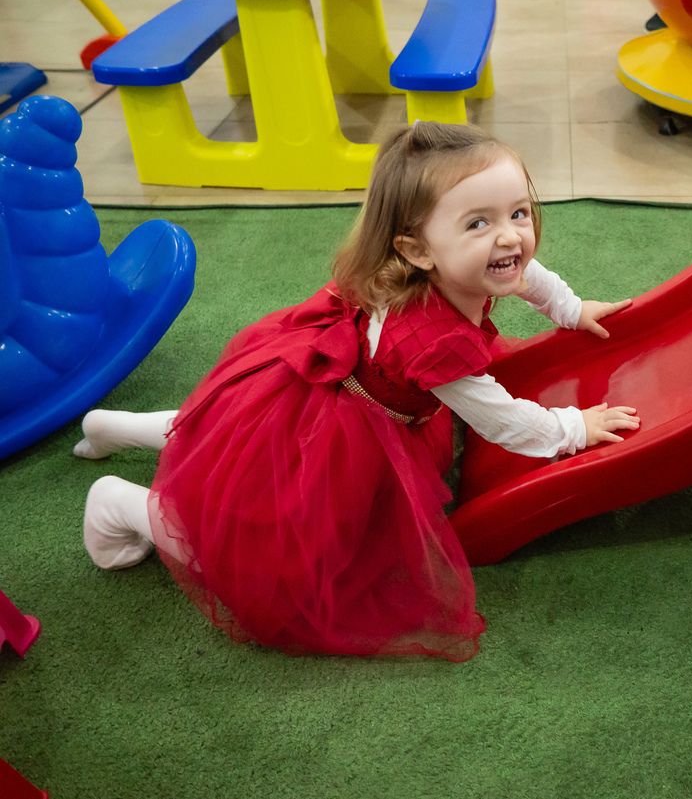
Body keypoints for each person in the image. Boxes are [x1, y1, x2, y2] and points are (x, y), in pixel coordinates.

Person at [74, 122, 640, 661]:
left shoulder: (447, 265)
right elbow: (501, 419)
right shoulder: (435, 342)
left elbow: (523, 270)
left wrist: (569, 308)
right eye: (478, 223)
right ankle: (119, 504)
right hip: (341, 429)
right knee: (273, 569)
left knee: (224, 434)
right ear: (417, 250)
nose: (511, 235)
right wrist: (574, 427)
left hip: (325, 386)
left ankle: (109, 426)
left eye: (518, 212)